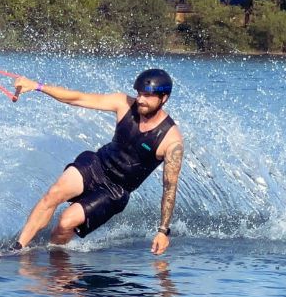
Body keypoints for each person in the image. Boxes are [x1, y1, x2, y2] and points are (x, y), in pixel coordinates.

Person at [11, 69, 184, 255]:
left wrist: (163, 231)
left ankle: (55, 261)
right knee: (54, 193)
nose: (141, 99)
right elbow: (77, 98)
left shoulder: (171, 141)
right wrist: (36, 86)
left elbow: (169, 188)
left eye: (148, 96)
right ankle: (18, 248)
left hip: (115, 191)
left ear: (164, 98)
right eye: (139, 93)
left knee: (65, 222)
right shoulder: (123, 103)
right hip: (96, 165)